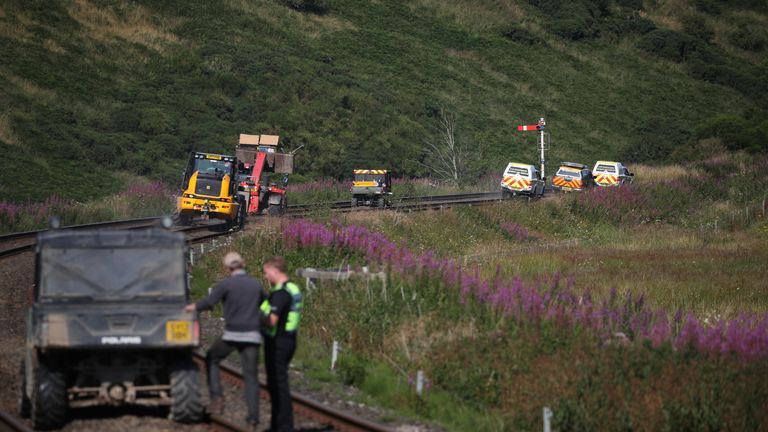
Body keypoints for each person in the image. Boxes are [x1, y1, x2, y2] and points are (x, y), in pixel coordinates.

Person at [185, 252, 264, 429]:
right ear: (243, 264)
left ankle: (217, 399)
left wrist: (192, 307)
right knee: (251, 376)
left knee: (212, 357)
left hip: (232, 334)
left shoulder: (226, 284)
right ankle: (253, 419)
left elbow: (208, 302)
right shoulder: (255, 284)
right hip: (253, 336)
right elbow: (265, 305)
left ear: (227, 268)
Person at [261, 256, 302, 432]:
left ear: (274, 271)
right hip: (289, 339)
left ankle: (283, 427)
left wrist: (255, 317)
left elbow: (271, 321)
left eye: (266, 272)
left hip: (278, 343)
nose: (265, 276)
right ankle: (278, 425)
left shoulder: (280, 293)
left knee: (278, 387)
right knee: (277, 385)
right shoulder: (293, 287)